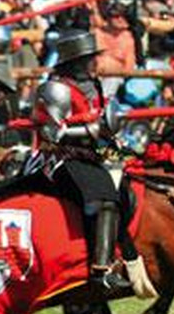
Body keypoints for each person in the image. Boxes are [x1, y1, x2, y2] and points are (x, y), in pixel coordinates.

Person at [31, 29, 134, 292]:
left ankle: (128, 256)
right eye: (89, 57)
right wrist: (94, 129)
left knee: (134, 183)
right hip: (62, 157)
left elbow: (101, 117)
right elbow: (52, 133)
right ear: (75, 60)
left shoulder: (93, 84)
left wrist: (112, 131)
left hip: (93, 153)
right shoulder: (56, 89)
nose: (94, 62)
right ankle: (102, 270)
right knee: (105, 200)